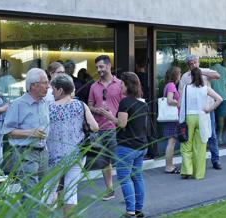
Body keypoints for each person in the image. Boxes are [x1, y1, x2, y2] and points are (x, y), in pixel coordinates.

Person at [44, 74, 98, 217]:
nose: (51, 92)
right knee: (71, 190)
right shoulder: (80, 105)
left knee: (49, 190)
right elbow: (95, 127)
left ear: (60, 90)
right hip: (77, 154)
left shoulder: (48, 108)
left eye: (53, 89)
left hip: (53, 156)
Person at [1, 68, 50, 207]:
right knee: (32, 195)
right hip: (25, 152)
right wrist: (31, 132)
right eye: (44, 83)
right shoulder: (18, 104)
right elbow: (7, 130)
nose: (48, 86)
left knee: (36, 193)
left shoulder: (45, 102)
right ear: (33, 85)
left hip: (42, 152)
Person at [103, 71, 148, 218]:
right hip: (141, 145)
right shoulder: (142, 103)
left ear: (128, 85)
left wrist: (108, 116)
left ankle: (130, 211)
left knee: (125, 178)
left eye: (122, 83)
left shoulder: (125, 102)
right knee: (137, 177)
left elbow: (122, 124)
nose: (120, 86)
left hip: (126, 147)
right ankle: (138, 210)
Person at [88, 55, 123, 201]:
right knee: (104, 161)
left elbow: (126, 105)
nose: (99, 70)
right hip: (100, 129)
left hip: (116, 128)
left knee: (121, 161)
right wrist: (96, 110)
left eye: (101, 67)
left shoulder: (120, 84)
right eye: (97, 67)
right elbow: (89, 105)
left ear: (109, 66)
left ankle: (127, 191)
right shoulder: (94, 86)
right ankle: (109, 190)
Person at [179, 55, 223, 170]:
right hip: (191, 112)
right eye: (191, 64)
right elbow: (181, 95)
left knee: (211, 134)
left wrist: (202, 73)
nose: (193, 65)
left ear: (198, 62)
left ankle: (215, 159)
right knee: (192, 138)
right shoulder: (185, 77)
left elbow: (217, 75)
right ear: (188, 65)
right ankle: (196, 163)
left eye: (195, 62)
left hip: (207, 109)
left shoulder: (205, 71)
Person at [162, 67, 181, 174]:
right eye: (179, 74)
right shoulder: (171, 85)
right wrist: (178, 103)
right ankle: (169, 166)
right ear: (175, 75)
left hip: (171, 118)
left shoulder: (168, 85)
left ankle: (170, 165)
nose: (180, 76)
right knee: (171, 142)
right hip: (172, 118)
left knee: (171, 141)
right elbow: (169, 100)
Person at [210, 63, 226, 144]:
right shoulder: (225, 70)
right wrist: (223, 83)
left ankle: (212, 137)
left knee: (211, 117)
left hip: (211, 97)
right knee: (221, 117)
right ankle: (220, 137)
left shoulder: (210, 69)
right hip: (222, 97)